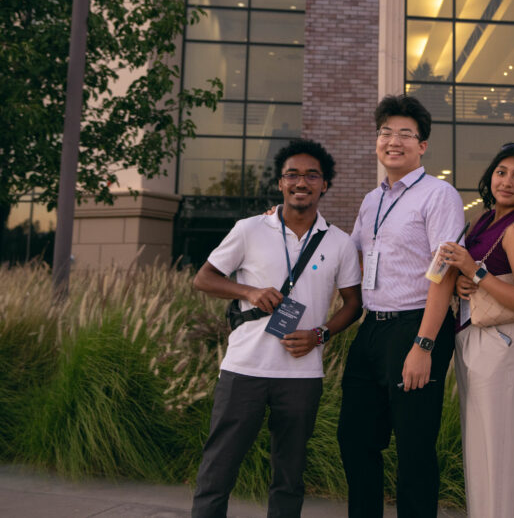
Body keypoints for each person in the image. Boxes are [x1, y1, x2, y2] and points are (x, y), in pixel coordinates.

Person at [190, 139, 363, 518]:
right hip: (244, 370)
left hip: (302, 374)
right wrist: (248, 290)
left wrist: (321, 334)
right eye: (292, 175)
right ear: (280, 184)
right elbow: (204, 279)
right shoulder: (249, 229)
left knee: (289, 476)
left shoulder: (340, 243)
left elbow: (354, 304)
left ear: (324, 185)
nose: (302, 182)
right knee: (218, 469)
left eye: (311, 175)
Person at [337, 94, 465, 518]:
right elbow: (347, 252)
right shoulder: (372, 200)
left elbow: (443, 271)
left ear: (422, 145)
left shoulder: (438, 194)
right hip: (372, 327)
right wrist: (284, 219)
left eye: (405, 134)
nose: (393, 141)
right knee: (355, 437)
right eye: (385, 132)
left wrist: (423, 345)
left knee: (413, 446)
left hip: (415, 326)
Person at [440, 143, 514, 517]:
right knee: (480, 457)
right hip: (474, 339)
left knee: (498, 460)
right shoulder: (485, 220)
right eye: (502, 172)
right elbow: (477, 276)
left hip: (504, 347)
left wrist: (476, 272)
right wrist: (462, 283)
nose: (508, 181)